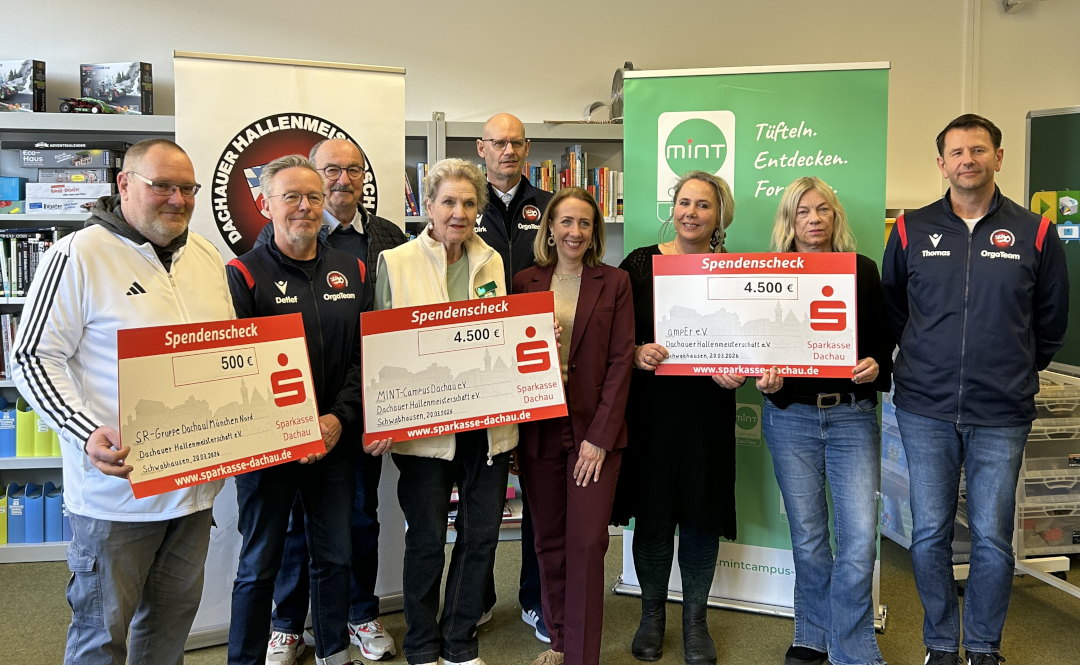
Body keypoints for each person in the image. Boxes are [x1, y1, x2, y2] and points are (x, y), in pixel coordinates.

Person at [11, 138, 236, 665]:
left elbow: (223, 353)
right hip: (117, 496)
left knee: (169, 628)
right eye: (163, 186)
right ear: (125, 185)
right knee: (101, 635)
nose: (178, 199)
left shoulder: (206, 255)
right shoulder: (77, 255)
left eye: (187, 188)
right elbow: (31, 357)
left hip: (194, 490)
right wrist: (85, 431)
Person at [882, 114, 1069, 665]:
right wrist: (925, 358)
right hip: (925, 408)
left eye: (979, 150)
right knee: (929, 534)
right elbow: (894, 307)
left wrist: (1014, 367)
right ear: (941, 164)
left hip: (1001, 411)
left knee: (991, 536)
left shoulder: (1035, 232)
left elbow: (1051, 319)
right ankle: (941, 644)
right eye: (957, 152)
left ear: (998, 157)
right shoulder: (911, 229)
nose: (968, 160)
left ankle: (984, 646)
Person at [614, 171, 781, 665]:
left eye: (703, 205)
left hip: (708, 411)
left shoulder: (733, 272)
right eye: (684, 202)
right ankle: (651, 616)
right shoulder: (639, 263)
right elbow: (613, 334)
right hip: (651, 410)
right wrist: (636, 352)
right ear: (673, 208)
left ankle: (695, 621)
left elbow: (751, 344)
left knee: (701, 517)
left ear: (720, 215)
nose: (691, 212)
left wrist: (740, 372)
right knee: (653, 515)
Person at [225, 155, 382, 665]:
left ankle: (334, 652)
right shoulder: (242, 274)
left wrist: (337, 419)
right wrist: (292, 429)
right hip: (268, 450)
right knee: (258, 565)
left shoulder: (353, 269)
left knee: (334, 556)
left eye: (313, 197)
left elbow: (365, 354)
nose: (305, 207)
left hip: (334, 440)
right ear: (265, 204)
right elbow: (237, 370)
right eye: (291, 196)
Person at [260, 139, 405, 664]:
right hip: (289, 417)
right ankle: (287, 624)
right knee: (294, 525)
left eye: (353, 170)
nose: (343, 179)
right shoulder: (281, 233)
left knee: (361, 518)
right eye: (331, 170)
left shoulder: (389, 237)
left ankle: (360, 614)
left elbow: (391, 328)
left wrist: (372, 411)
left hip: (358, 411)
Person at [376, 158, 516, 665]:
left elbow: (500, 332)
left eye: (469, 203)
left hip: (486, 425)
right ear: (428, 206)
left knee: (480, 537)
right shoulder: (395, 262)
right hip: (425, 429)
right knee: (427, 540)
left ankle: (459, 639)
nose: (459, 212)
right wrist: (382, 419)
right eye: (449, 201)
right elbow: (380, 349)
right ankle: (421, 643)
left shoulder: (492, 260)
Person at [761, 177, 895, 665]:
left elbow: (882, 344)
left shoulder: (861, 270)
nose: (814, 219)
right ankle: (813, 636)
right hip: (790, 418)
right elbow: (758, 345)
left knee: (858, 539)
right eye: (803, 211)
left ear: (835, 217)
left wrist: (876, 365)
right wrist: (765, 380)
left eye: (823, 210)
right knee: (809, 536)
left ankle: (851, 647)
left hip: (852, 416)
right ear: (789, 221)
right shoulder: (768, 275)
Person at [513, 188, 634, 665]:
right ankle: (560, 640)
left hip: (593, 429)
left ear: (595, 231)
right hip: (540, 426)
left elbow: (621, 362)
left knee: (586, 542)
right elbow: (509, 357)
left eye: (585, 223)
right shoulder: (524, 282)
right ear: (550, 228)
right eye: (566, 221)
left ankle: (582, 656)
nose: (575, 232)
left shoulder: (615, 281)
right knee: (548, 541)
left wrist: (599, 440)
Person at [474, 112, 553, 641]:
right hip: (477, 366)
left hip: (535, 362)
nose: (508, 150)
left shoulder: (548, 206)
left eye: (517, 143)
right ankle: (476, 598)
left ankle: (534, 597)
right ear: (481, 148)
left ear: (527, 149)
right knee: (481, 489)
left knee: (539, 492)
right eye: (498, 142)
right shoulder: (463, 203)